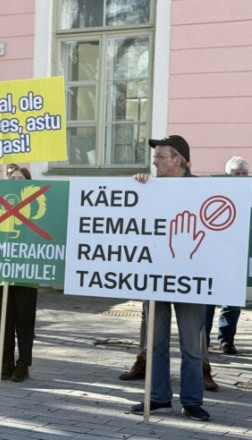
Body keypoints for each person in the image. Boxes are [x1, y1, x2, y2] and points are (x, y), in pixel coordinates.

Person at [130, 135, 210, 421]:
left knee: (191, 346)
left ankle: (192, 402)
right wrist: (137, 190)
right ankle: (159, 398)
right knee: (155, 344)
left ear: (178, 160)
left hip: (190, 280)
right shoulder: (148, 187)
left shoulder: (203, 189)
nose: (155, 161)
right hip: (155, 278)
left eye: (160, 156)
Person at [0, 164, 38, 382]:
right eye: (12, 179)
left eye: (21, 179)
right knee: (3, 320)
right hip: (1, 272)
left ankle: (23, 364)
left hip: (27, 273)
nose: (16, 182)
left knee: (24, 319)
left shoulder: (35, 209)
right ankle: (5, 361)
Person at [204, 156, 248, 355]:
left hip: (238, 255)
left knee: (232, 302)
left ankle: (226, 341)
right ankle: (202, 341)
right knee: (207, 302)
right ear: (226, 175)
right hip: (214, 254)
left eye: (243, 174)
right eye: (235, 174)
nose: (239, 178)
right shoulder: (215, 190)